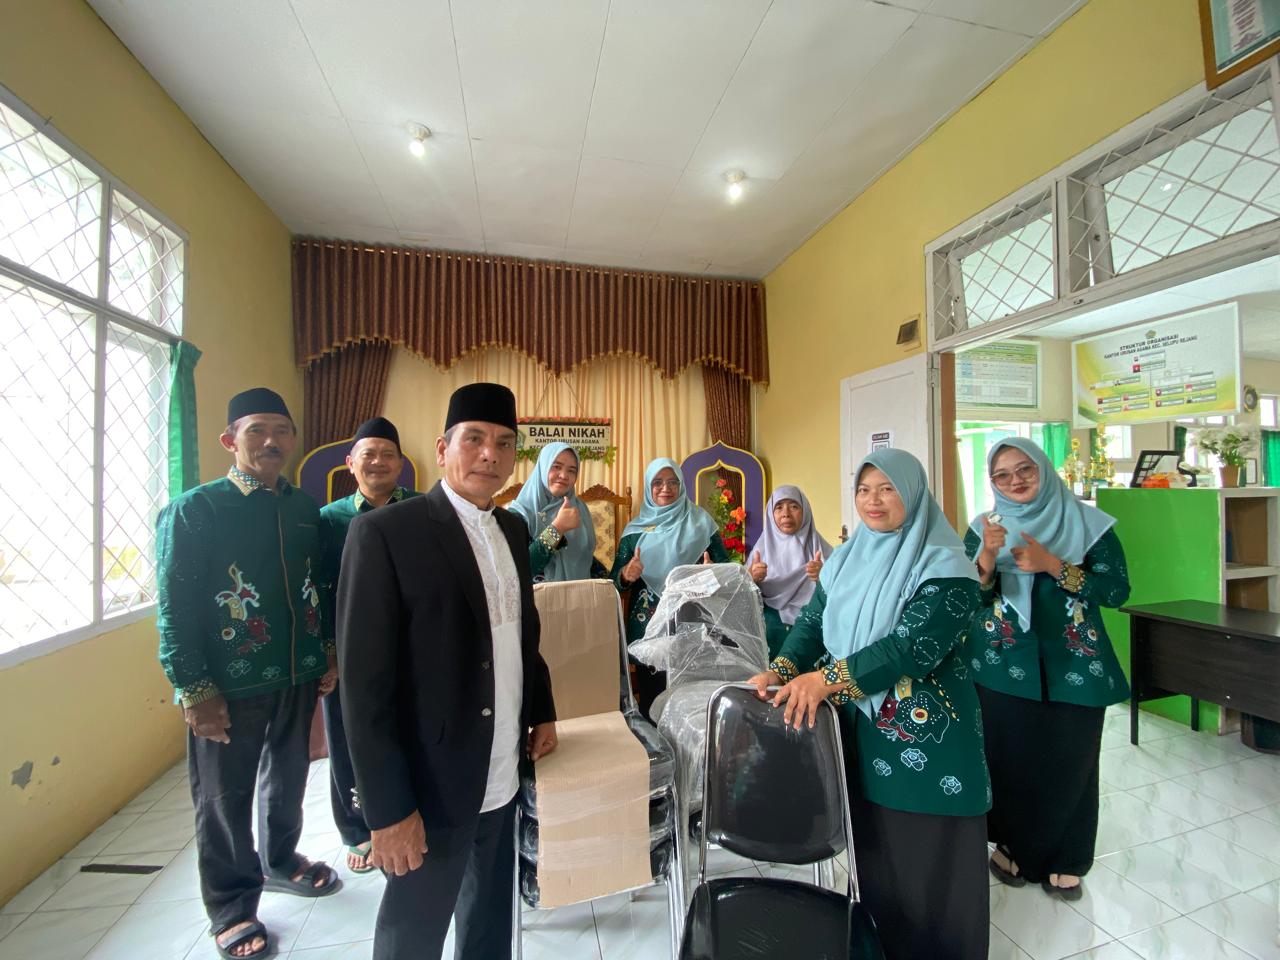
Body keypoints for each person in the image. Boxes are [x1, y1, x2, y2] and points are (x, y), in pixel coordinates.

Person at [336, 382, 558, 960]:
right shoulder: (386, 533)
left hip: (502, 767)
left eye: (504, 443)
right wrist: (388, 810)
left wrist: (542, 710)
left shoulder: (512, 529)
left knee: (488, 921)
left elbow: (522, 633)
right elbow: (363, 688)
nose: (490, 454)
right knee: (414, 932)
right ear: (442, 449)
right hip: (430, 784)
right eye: (474, 439)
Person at [749, 450, 989, 960]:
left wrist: (825, 680)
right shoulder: (846, 559)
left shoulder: (948, 568)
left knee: (932, 862)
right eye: (863, 490)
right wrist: (781, 670)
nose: (873, 501)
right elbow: (813, 622)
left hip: (926, 744)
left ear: (913, 493)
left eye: (887, 489)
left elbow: (908, 648)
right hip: (859, 733)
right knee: (878, 856)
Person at [156, 387, 341, 960]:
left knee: (288, 775)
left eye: (281, 430)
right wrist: (193, 687)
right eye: (257, 429)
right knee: (223, 796)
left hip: (297, 672)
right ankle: (232, 906)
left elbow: (318, 586)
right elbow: (174, 607)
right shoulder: (198, 510)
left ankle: (280, 860)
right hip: (228, 682)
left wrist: (325, 651)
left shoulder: (303, 508)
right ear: (229, 440)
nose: (270, 441)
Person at [965, 437, 1130, 901]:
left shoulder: (1089, 525)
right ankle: (1013, 848)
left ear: (1043, 468)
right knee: (1010, 761)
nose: (1014, 480)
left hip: (1075, 665)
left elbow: (1117, 590)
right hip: (1002, 665)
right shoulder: (984, 528)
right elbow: (965, 597)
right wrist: (986, 559)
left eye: (1025, 469)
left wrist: (1054, 566)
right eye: (1002, 475)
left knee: (1071, 763)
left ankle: (1067, 859)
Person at [317, 416, 421, 875]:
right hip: (349, 652)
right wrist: (329, 652)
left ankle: (411, 813)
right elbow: (319, 589)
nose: (378, 462)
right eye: (369, 454)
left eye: (388, 455)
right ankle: (357, 829)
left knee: (411, 730)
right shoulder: (329, 520)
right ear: (350, 462)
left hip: (412, 647)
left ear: (400, 463)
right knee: (349, 738)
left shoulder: (421, 510)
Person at [610, 457, 729, 718]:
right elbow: (613, 586)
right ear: (648, 487)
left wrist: (712, 574)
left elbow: (727, 571)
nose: (666, 488)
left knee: (694, 702)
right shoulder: (634, 532)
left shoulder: (702, 524)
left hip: (694, 623)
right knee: (652, 702)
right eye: (658, 482)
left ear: (681, 485)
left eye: (673, 482)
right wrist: (626, 575)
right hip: (648, 626)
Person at [748, 485, 832, 658]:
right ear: (771, 514)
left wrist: (825, 576)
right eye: (779, 507)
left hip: (812, 633)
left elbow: (846, 591)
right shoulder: (760, 551)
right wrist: (750, 577)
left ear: (805, 511)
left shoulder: (822, 551)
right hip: (769, 634)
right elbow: (740, 597)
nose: (786, 514)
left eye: (794, 506)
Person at [508, 441, 607, 581]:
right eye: (556, 467)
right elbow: (519, 568)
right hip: (534, 593)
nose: (564, 475)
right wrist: (557, 528)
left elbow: (583, 557)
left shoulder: (578, 509)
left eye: (571, 470)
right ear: (543, 468)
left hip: (578, 592)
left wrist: (615, 579)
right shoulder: (518, 514)